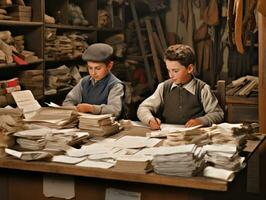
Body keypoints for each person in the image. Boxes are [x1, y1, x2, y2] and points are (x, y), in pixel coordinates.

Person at [137, 44, 224, 129]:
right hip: (169, 136)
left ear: (189, 69)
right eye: (169, 70)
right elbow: (143, 108)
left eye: (175, 71)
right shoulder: (163, 87)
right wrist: (150, 119)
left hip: (193, 137)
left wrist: (202, 120)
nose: (171, 75)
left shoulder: (202, 89)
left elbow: (218, 113)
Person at [63, 43, 124, 118]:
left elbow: (115, 110)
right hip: (84, 123)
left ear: (109, 66)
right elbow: (68, 101)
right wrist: (73, 108)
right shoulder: (84, 81)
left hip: (104, 125)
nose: (93, 72)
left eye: (98, 68)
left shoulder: (115, 85)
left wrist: (91, 108)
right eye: (90, 68)